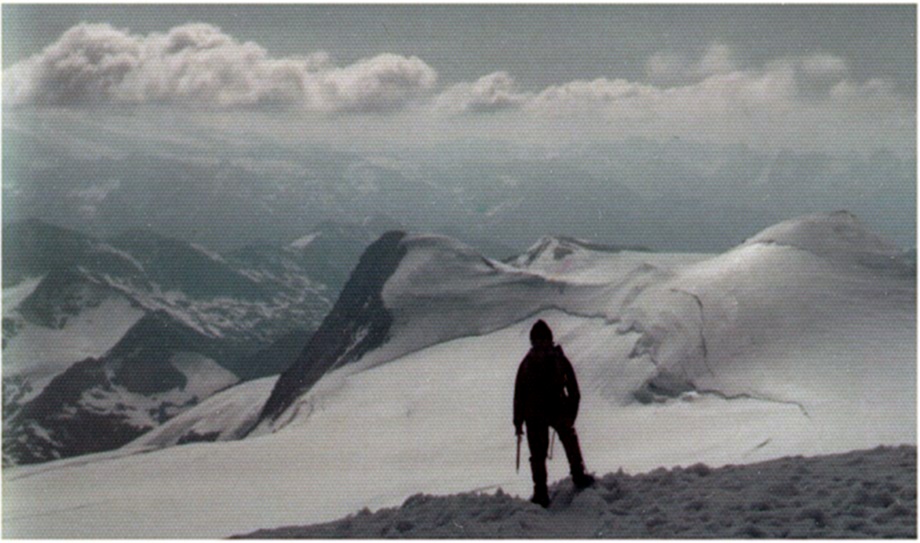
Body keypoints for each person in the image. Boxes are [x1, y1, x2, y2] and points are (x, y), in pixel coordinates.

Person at [514, 319, 595, 507]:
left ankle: (543, 492)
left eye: (542, 340)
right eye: (538, 340)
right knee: (559, 444)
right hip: (551, 411)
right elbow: (573, 389)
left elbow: (519, 394)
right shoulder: (556, 359)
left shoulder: (528, 363)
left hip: (539, 413)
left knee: (542, 452)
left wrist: (518, 421)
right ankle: (574, 477)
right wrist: (570, 413)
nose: (540, 344)